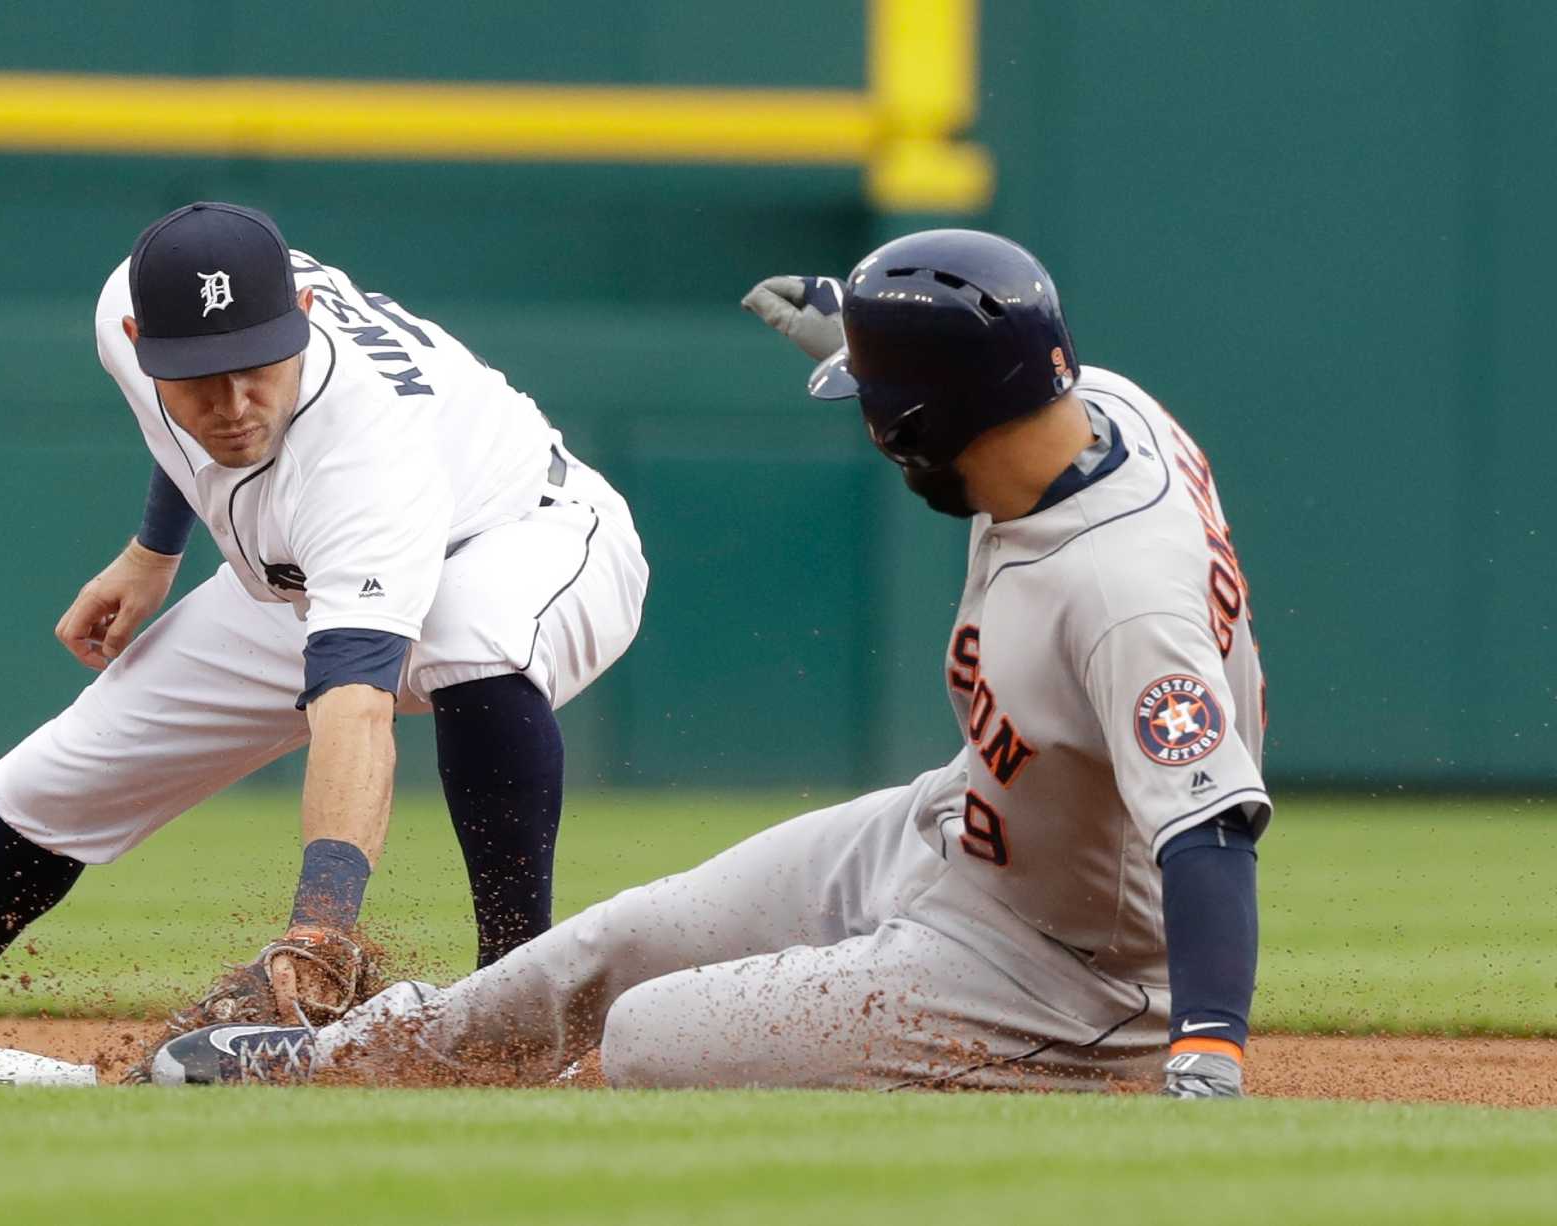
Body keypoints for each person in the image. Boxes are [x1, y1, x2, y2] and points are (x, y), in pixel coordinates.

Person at [152, 230, 1267, 1099]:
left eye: (880, 407)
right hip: (956, 822)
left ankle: (1051, 1071)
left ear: (932, 420)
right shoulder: (1093, 402)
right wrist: (864, 334)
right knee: (616, 939)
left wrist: (1207, 1046)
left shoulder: (1122, 597)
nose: (871, 429)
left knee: (648, 1036)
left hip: (1067, 966)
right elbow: (983, 366)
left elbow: (1206, 826)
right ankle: (339, 1063)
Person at [0, 202, 649, 1048]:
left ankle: (516, 999)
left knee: (462, 642)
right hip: (302, 575)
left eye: (255, 367)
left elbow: (350, 708)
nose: (230, 404)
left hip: (528, 534)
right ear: (142, 340)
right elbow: (192, 438)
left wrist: (321, 923)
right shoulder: (124, 311)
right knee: (54, 775)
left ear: (302, 318)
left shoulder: (364, 455)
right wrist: (154, 549)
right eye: (197, 374)